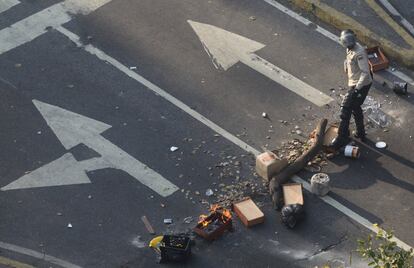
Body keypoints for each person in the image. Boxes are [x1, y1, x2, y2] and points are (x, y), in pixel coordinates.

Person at [331, 29, 373, 150]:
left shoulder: (359, 53)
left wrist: (357, 89)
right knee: (355, 107)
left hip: (361, 85)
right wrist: (346, 65)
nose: (348, 44)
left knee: (345, 109)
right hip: (354, 82)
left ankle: (342, 137)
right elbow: (349, 58)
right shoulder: (350, 47)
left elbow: (365, 73)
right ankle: (361, 133)